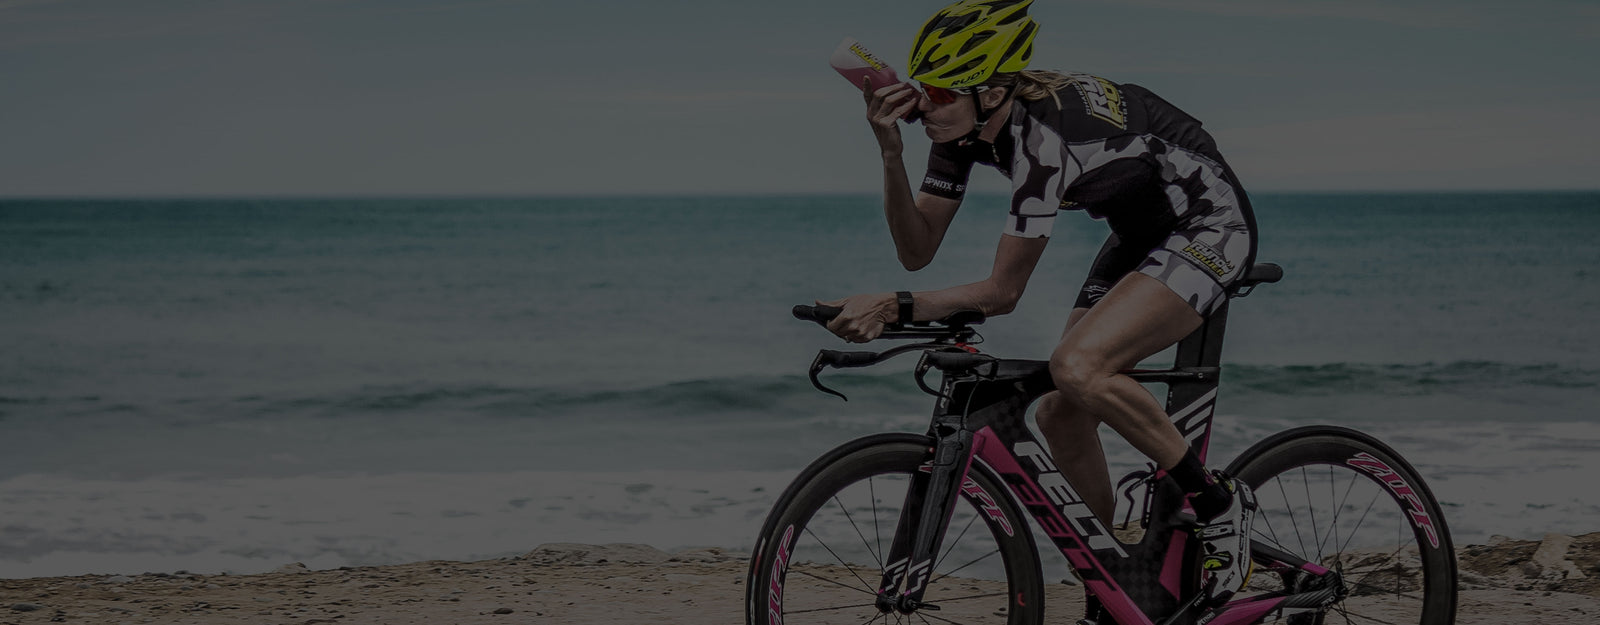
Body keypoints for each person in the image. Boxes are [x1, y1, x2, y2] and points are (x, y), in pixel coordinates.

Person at [818, 0, 1260, 611]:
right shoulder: (960, 128)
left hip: (1209, 225)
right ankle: (1115, 596)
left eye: (944, 92)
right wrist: (890, 152)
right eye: (924, 87)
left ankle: (1219, 502)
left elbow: (1003, 293)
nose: (925, 105)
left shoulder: (1044, 137)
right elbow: (916, 250)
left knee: (1080, 367)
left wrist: (893, 307)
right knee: (1061, 411)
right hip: (1140, 233)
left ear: (995, 91)